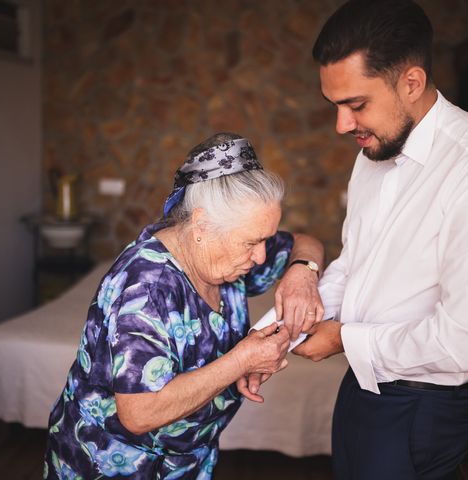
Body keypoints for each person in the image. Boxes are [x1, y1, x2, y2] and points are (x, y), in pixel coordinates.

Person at [292, 1, 468, 479]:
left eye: (356, 104)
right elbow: (356, 264)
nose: (342, 125)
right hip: (361, 390)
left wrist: (344, 339)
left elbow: (465, 341)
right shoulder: (374, 152)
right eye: (335, 105)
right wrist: (288, 325)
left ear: (412, 83)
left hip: (423, 411)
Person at [44, 133, 324, 479]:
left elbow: (305, 243)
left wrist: (302, 272)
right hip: (112, 465)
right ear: (201, 226)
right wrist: (244, 360)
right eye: (252, 242)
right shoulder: (146, 288)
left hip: (188, 464)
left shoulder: (226, 252)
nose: (263, 255)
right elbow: (140, 413)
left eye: (266, 239)